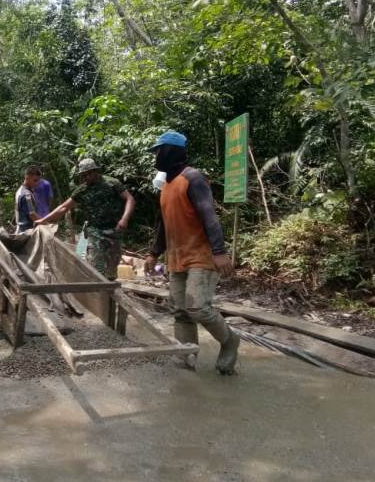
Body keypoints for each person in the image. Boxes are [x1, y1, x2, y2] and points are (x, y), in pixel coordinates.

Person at [144, 130, 239, 375]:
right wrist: (154, 253)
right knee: (180, 310)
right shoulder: (166, 186)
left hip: (201, 256)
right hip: (177, 258)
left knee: (197, 307)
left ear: (170, 152)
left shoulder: (193, 178)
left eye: (158, 151)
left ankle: (230, 341)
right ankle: (185, 357)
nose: (155, 157)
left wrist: (219, 251)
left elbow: (210, 216)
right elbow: (165, 224)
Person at [35, 158, 135, 280]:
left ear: (95, 171)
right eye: (83, 175)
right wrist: (43, 220)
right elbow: (64, 207)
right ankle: (97, 294)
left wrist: (124, 219)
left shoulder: (112, 183)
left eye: (88, 174)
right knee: (96, 270)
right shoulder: (82, 190)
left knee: (112, 271)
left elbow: (130, 199)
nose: (86, 177)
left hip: (115, 230)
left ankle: (109, 296)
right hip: (95, 232)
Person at [15, 165, 40, 233]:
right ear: (27, 177)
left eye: (38, 180)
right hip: (26, 232)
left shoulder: (20, 190)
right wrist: (45, 223)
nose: (37, 183)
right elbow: (32, 214)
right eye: (35, 180)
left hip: (21, 229)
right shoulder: (26, 194)